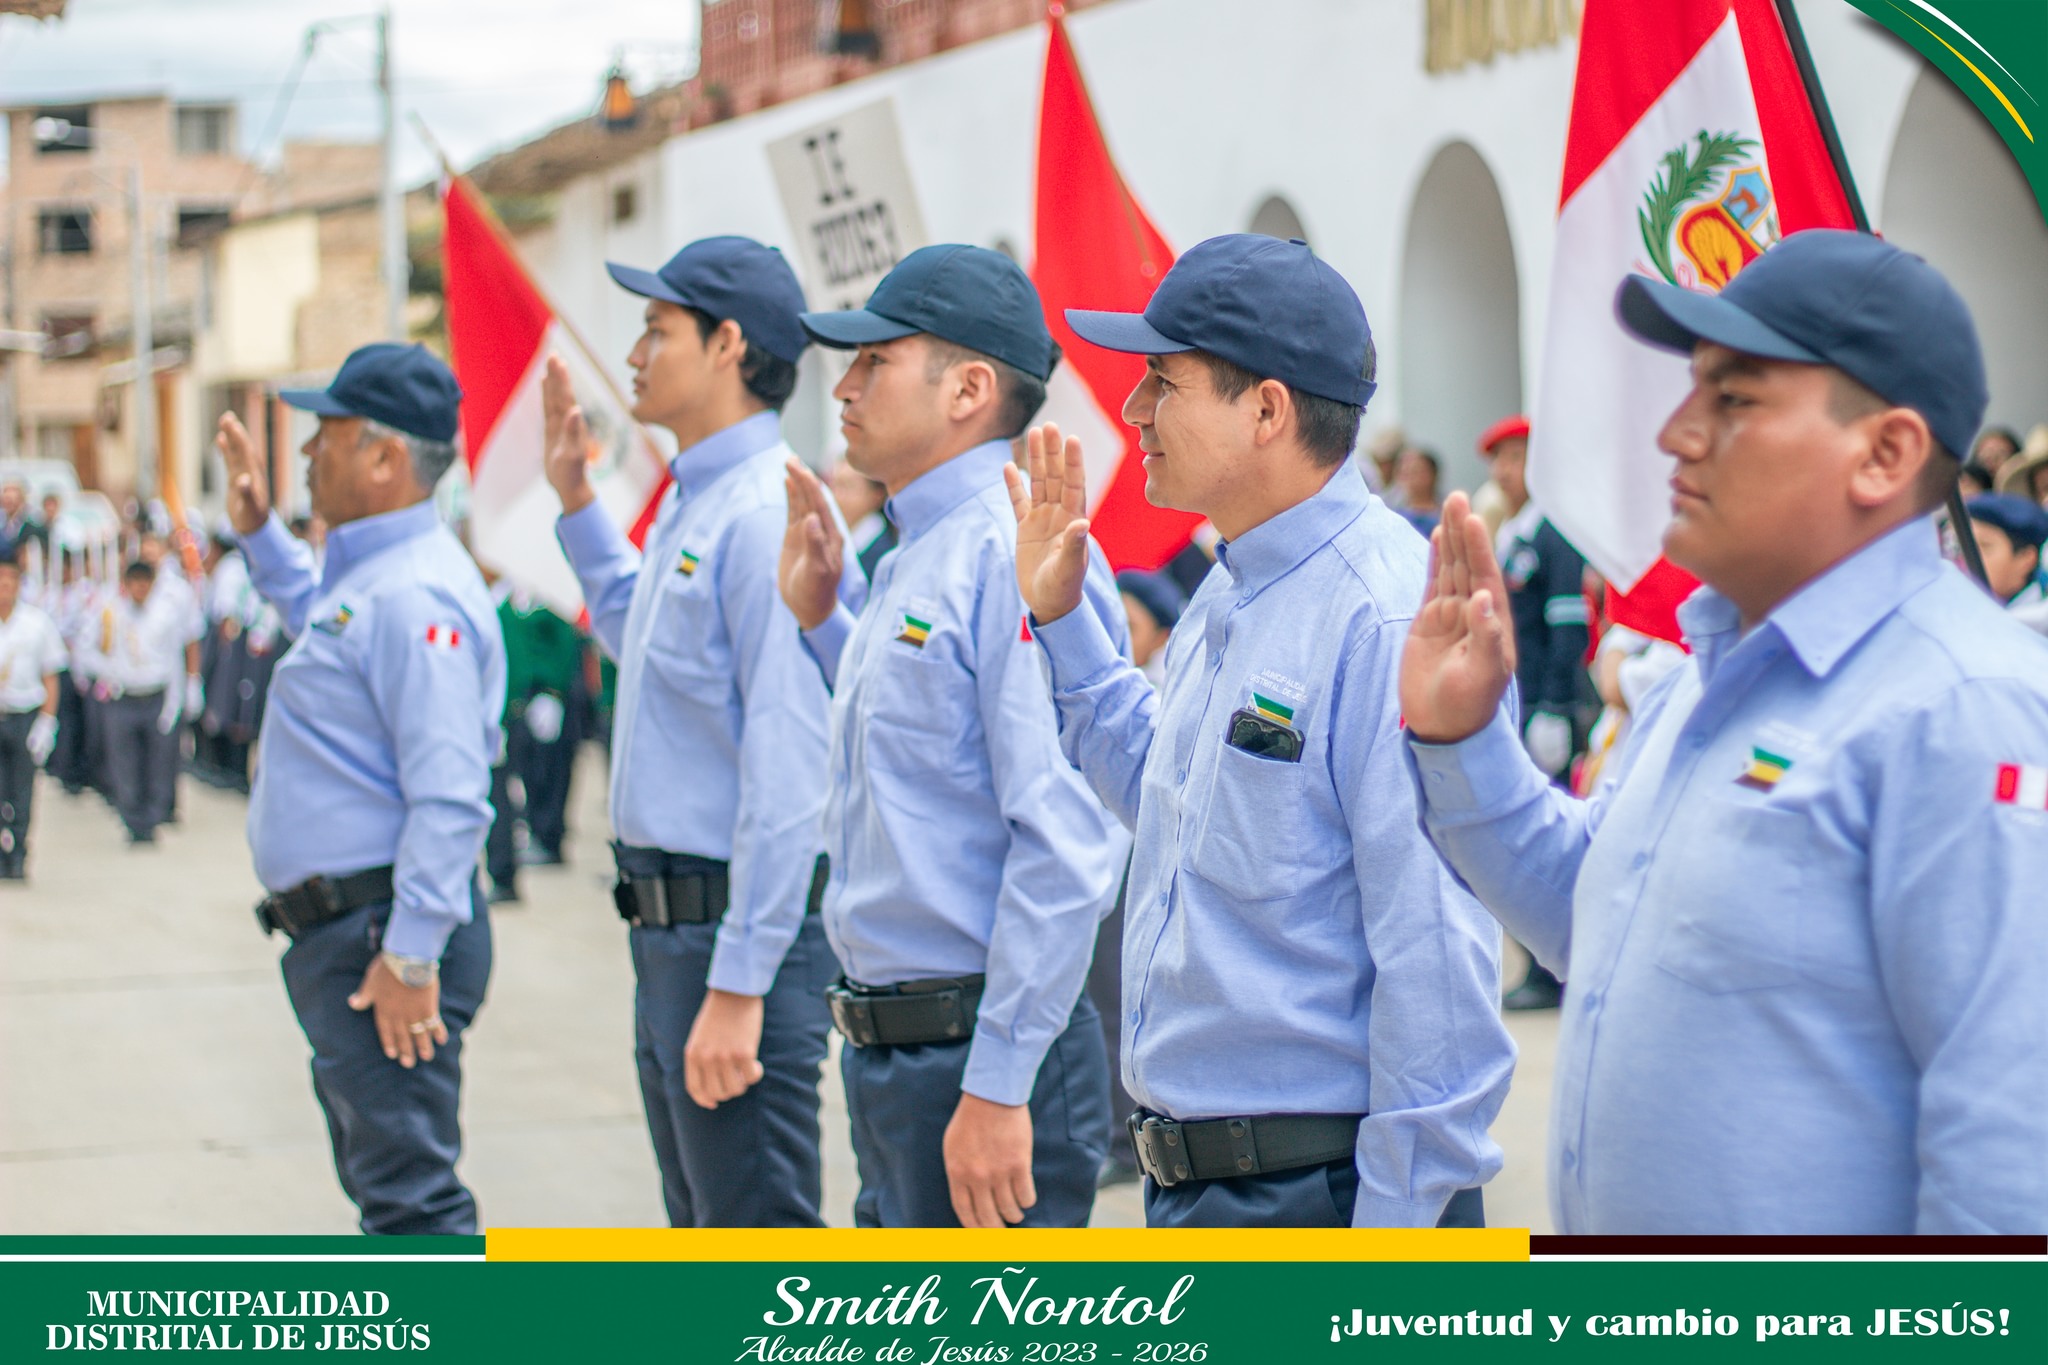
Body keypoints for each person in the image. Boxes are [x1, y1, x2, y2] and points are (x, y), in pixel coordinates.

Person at [1401, 229, 2048, 1234]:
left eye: (1733, 400)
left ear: (1883, 453)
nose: (1675, 433)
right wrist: (1460, 739)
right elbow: (1593, 915)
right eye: (1692, 388)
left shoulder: (1963, 707)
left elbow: (2008, 1173)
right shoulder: (1704, 674)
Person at [1011, 233, 1512, 1229]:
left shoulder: (1377, 613)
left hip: (1316, 1198)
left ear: (1267, 409)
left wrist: (1394, 1257)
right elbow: (1164, 796)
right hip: (1206, 1188)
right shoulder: (1233, 588)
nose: (1131, 411)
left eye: (1162, 382)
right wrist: (1064, 621)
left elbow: (1435, 964)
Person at [779, 243, 1127, 1229]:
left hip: (975, 1052)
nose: (843, 389)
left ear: (969, 387)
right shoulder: (913, 552)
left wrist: (999, 1083)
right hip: (903, 1055)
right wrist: (822, 626)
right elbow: (925, 766)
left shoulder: (1009, 550)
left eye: (873, 361)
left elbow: (1063, 840)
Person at [546, 236, 840, 1228]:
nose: (633, 354)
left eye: (654, 330)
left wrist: (741, 982)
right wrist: (579, 507)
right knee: (704, 1239)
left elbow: (787, 770)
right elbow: (655, 653)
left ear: (726, 345)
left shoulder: (763, 513)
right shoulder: (699, 500)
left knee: (755, 1253)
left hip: (729, 931)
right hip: (675, 933)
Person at [216, 342, 504, 1236]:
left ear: (384, 458)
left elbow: (452, 793)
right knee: (390, 1191)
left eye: (326, 435)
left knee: (412, 1205)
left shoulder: (414, 598)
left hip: (383, 936)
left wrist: (413, 952)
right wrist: (263, 530)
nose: (307, 454)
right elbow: (324, 624)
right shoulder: (374, 579)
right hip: (354, 930)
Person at [80, 561, 183, 845]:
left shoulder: (165, 614)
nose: (140, 588)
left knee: (156, 762)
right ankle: (133, 820)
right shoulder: (110, 613)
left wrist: (176, 701)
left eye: (145, 582)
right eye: (134, 582)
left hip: (154, 695)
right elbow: (87, 650)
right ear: (126, 584)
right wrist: (108, 672)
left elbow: (175, 659)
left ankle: (151, 819)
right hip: (122, 696)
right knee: (124, 762)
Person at [0, 555, 65, 879]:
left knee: (22, 790)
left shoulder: (37, 623)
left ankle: (19, 854)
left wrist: (47, 721)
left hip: (24, 714)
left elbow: (50, 674)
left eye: (10, 581)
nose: (4, 588)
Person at [1966, 492, 2048, 636]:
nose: (1967, 559)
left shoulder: (2036, 624)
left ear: (2026, 557)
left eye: (1984, 547)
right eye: (1963, 549)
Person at [830, 459, 896, 581]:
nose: (836, 496)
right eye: (834, 485)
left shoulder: (882, 556)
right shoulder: (846, 543)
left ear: (877, 495)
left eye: (846, 486)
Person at [1395, 447, 1443, 536]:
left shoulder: (1443, 517)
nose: (1408, 477)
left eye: (1415, 471)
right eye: (1404, 471)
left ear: (1432, 474)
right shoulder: (1394, 514)